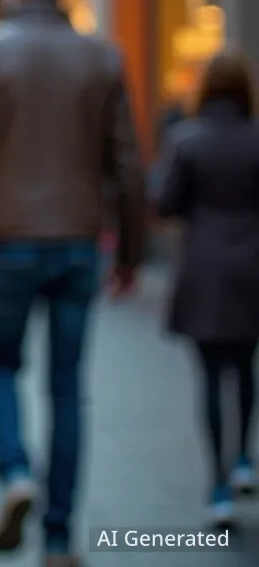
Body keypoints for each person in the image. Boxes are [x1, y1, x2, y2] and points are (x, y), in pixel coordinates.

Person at [0, 0, 145, 567]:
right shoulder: (103, 57)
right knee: (66, 387)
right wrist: (131, 251)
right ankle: (58, 536)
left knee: (3, 366)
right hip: (78, 241)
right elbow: (128, 166)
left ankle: (16, 472)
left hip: (9, 241)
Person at [154, 51, 259, 528]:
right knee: (245, 365)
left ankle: (218, 479)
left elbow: (167, 202)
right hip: (252, 266)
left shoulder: (187, 140)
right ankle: (242, 458)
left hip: (204, 266)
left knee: (212, 376)